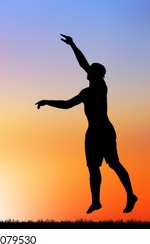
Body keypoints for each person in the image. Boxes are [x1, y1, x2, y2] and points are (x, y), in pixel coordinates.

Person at [35, 35, 138, 214]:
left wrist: (73, 45)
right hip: (92, 132)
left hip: (104, 130)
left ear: (98, 74)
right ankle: (96, 201)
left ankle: (130, 195)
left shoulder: (100, 86)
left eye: (91, 69)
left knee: (113, 163)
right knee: (93, 168)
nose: (88, 71)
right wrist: (47, 101)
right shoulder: (85, 92)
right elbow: (67, 104)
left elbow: (83, 64)